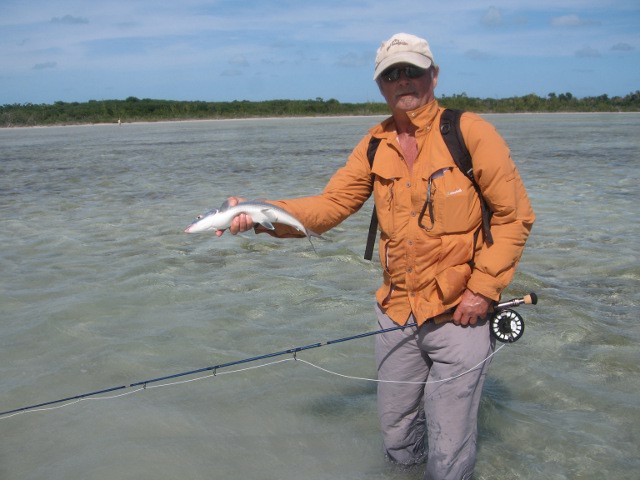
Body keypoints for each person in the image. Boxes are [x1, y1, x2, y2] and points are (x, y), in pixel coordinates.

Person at [216, 33, 535, 480]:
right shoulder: (373, 143)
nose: (403, 80)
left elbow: (514, 217)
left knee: (450, 447)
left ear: (434, 75)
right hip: (396, 312)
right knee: (397, 435)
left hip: (460, 313)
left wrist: (483, 291)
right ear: (380, 85)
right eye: (391, 73)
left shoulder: (469, 132)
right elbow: (329, 207)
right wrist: (261, 214)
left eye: (412, 70)